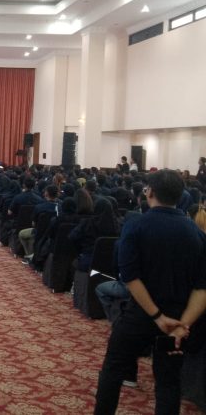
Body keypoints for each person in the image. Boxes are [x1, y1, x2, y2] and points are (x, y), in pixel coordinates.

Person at [94, 169, 206, 414]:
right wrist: (183, 325)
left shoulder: (136, 226)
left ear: (150, 192)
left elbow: (130, 277)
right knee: (168, 383)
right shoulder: (197, 234)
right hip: (177, 320)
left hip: (140, 315)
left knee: (113, 370)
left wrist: (157, 316)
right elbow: (202, 288)